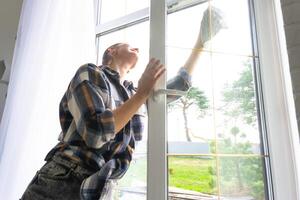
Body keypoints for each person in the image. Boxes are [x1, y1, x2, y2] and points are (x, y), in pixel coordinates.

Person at [21, 6, 225, 200]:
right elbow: (96, 133)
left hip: (101, 187)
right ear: (112, 50)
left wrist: (200, 43)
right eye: (130, 46)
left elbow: (175, 87)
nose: (137, 48)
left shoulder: (133, 94)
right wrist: (142, 93)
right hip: (63, 178)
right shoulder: (91, 73)